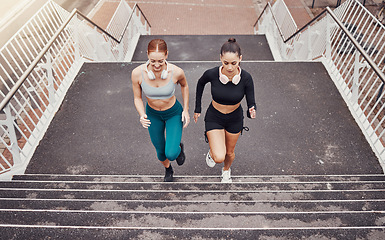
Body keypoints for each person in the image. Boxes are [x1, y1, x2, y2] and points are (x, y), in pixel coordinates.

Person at [194, 38, 256, 183]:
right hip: (214, 116)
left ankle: (226, 171)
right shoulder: (212, 74)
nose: (229, 67)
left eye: (234, 63)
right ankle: (212, 152)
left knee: (229, 152)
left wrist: (251, 110)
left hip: (235, 118)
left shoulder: (246, 78)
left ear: (240, 59)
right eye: (225, 63)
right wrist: (198, 108)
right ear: (220, 58)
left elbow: (251, 101)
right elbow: (200, 83)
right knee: (219, 156)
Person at [131, 39, 190, 182]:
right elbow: (137, 98)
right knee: (160, 152)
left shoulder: (176, 72)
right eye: (152, 61)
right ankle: (168, 169)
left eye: (160, 61)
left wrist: (186, 110)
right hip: (153, 114)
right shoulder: (137, 74)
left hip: (173, 113)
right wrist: (141, 115)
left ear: (167, 55)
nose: (157, 65)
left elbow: (185, 86)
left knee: (171, 153)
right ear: (147, 55)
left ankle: (178, 148)